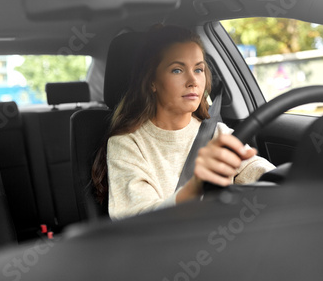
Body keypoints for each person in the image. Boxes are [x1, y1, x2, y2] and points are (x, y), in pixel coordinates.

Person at [92, 25, 275, 220]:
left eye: (198, 69)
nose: (193, 81)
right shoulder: (127, 144)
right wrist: (195, 187)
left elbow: (266, 176)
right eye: (177, 70)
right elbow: (139, 220)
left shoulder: (217, 133)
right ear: (152, 81)